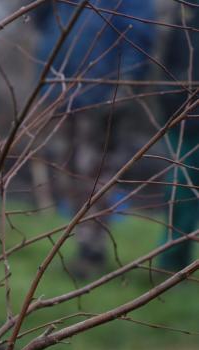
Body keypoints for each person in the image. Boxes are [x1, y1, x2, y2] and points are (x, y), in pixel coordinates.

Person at [33, 0, 156, 277]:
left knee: (96, 173)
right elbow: (39, 18)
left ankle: (93, 246)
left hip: (103, 94)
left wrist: (125, 84)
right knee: (66, 172)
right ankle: (81, 239)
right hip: (59, 89)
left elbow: (140, 34)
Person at [156, 2, 199, 271]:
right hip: (184, 117)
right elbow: (168, 56)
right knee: (181, 190)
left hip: (181, 112)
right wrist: (171, 100)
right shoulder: (185, 9)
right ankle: (172, 266)